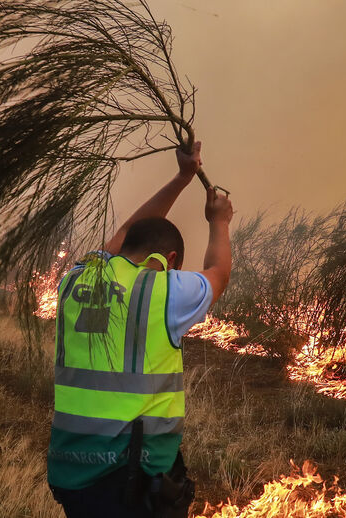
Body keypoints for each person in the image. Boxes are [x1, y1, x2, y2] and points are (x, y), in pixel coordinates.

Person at [47, 141, 233, 518]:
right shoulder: (162, 290)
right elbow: (219, 274)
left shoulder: (75, 279)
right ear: (171, 261)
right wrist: (220, 222)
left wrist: (182, 178)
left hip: (70, 470)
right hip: (128, 477)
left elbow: (124, 233)